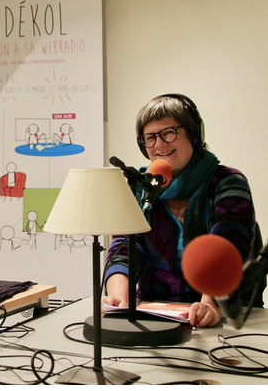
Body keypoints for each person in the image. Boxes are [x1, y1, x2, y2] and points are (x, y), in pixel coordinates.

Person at [102, 93, 262, 328]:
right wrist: (117, 298)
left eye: (169, 132)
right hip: (158, 313)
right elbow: (125, 247)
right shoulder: (141, 187)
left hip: (228, 315)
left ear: (194, 135)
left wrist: (209, 303)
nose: (159, 144)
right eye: (150, 137)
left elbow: (228, 247)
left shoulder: (228, 182)